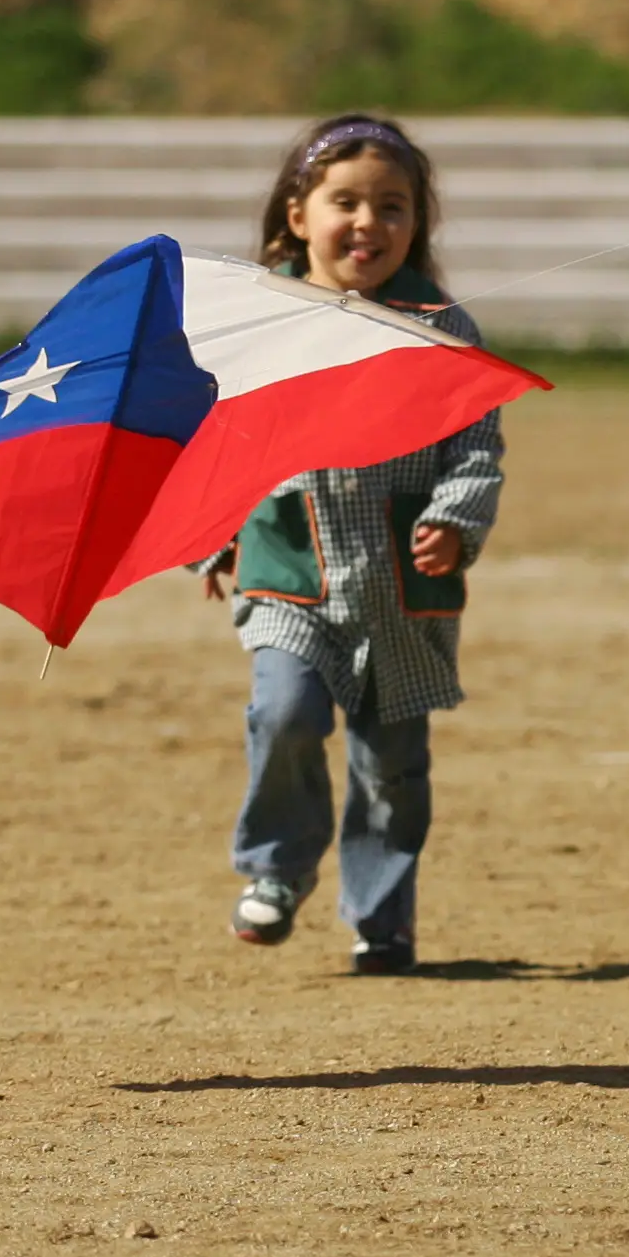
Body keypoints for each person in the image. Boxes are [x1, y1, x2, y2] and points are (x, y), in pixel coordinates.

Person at [196, 114, 506, 976]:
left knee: (391, 763)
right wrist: (210, 537)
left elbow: (476, 442)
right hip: (287, 565)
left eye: (393, 205)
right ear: (298, 213)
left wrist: (455, 517)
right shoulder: (251, 322)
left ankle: (381, 914)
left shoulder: (441, 327)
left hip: (403, 583)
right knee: (286, 712)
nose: (368, 222)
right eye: (346, 201)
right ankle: (276, 870)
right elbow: (212, 442)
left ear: (418, 224)